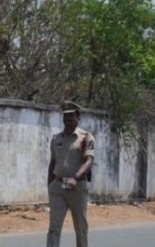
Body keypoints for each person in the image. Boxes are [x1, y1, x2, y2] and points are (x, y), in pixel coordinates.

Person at [47, 101, 95, 247]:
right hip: (58, 187)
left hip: (77, 187)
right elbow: (53, 162)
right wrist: (50, 184)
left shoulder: (86, 138)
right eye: (65, 116)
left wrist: (75, 178)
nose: (67, 119)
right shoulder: (56, 139)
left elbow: (89, 161)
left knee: (80, 227)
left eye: (70, 116)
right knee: (54, 227)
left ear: (78, 118)